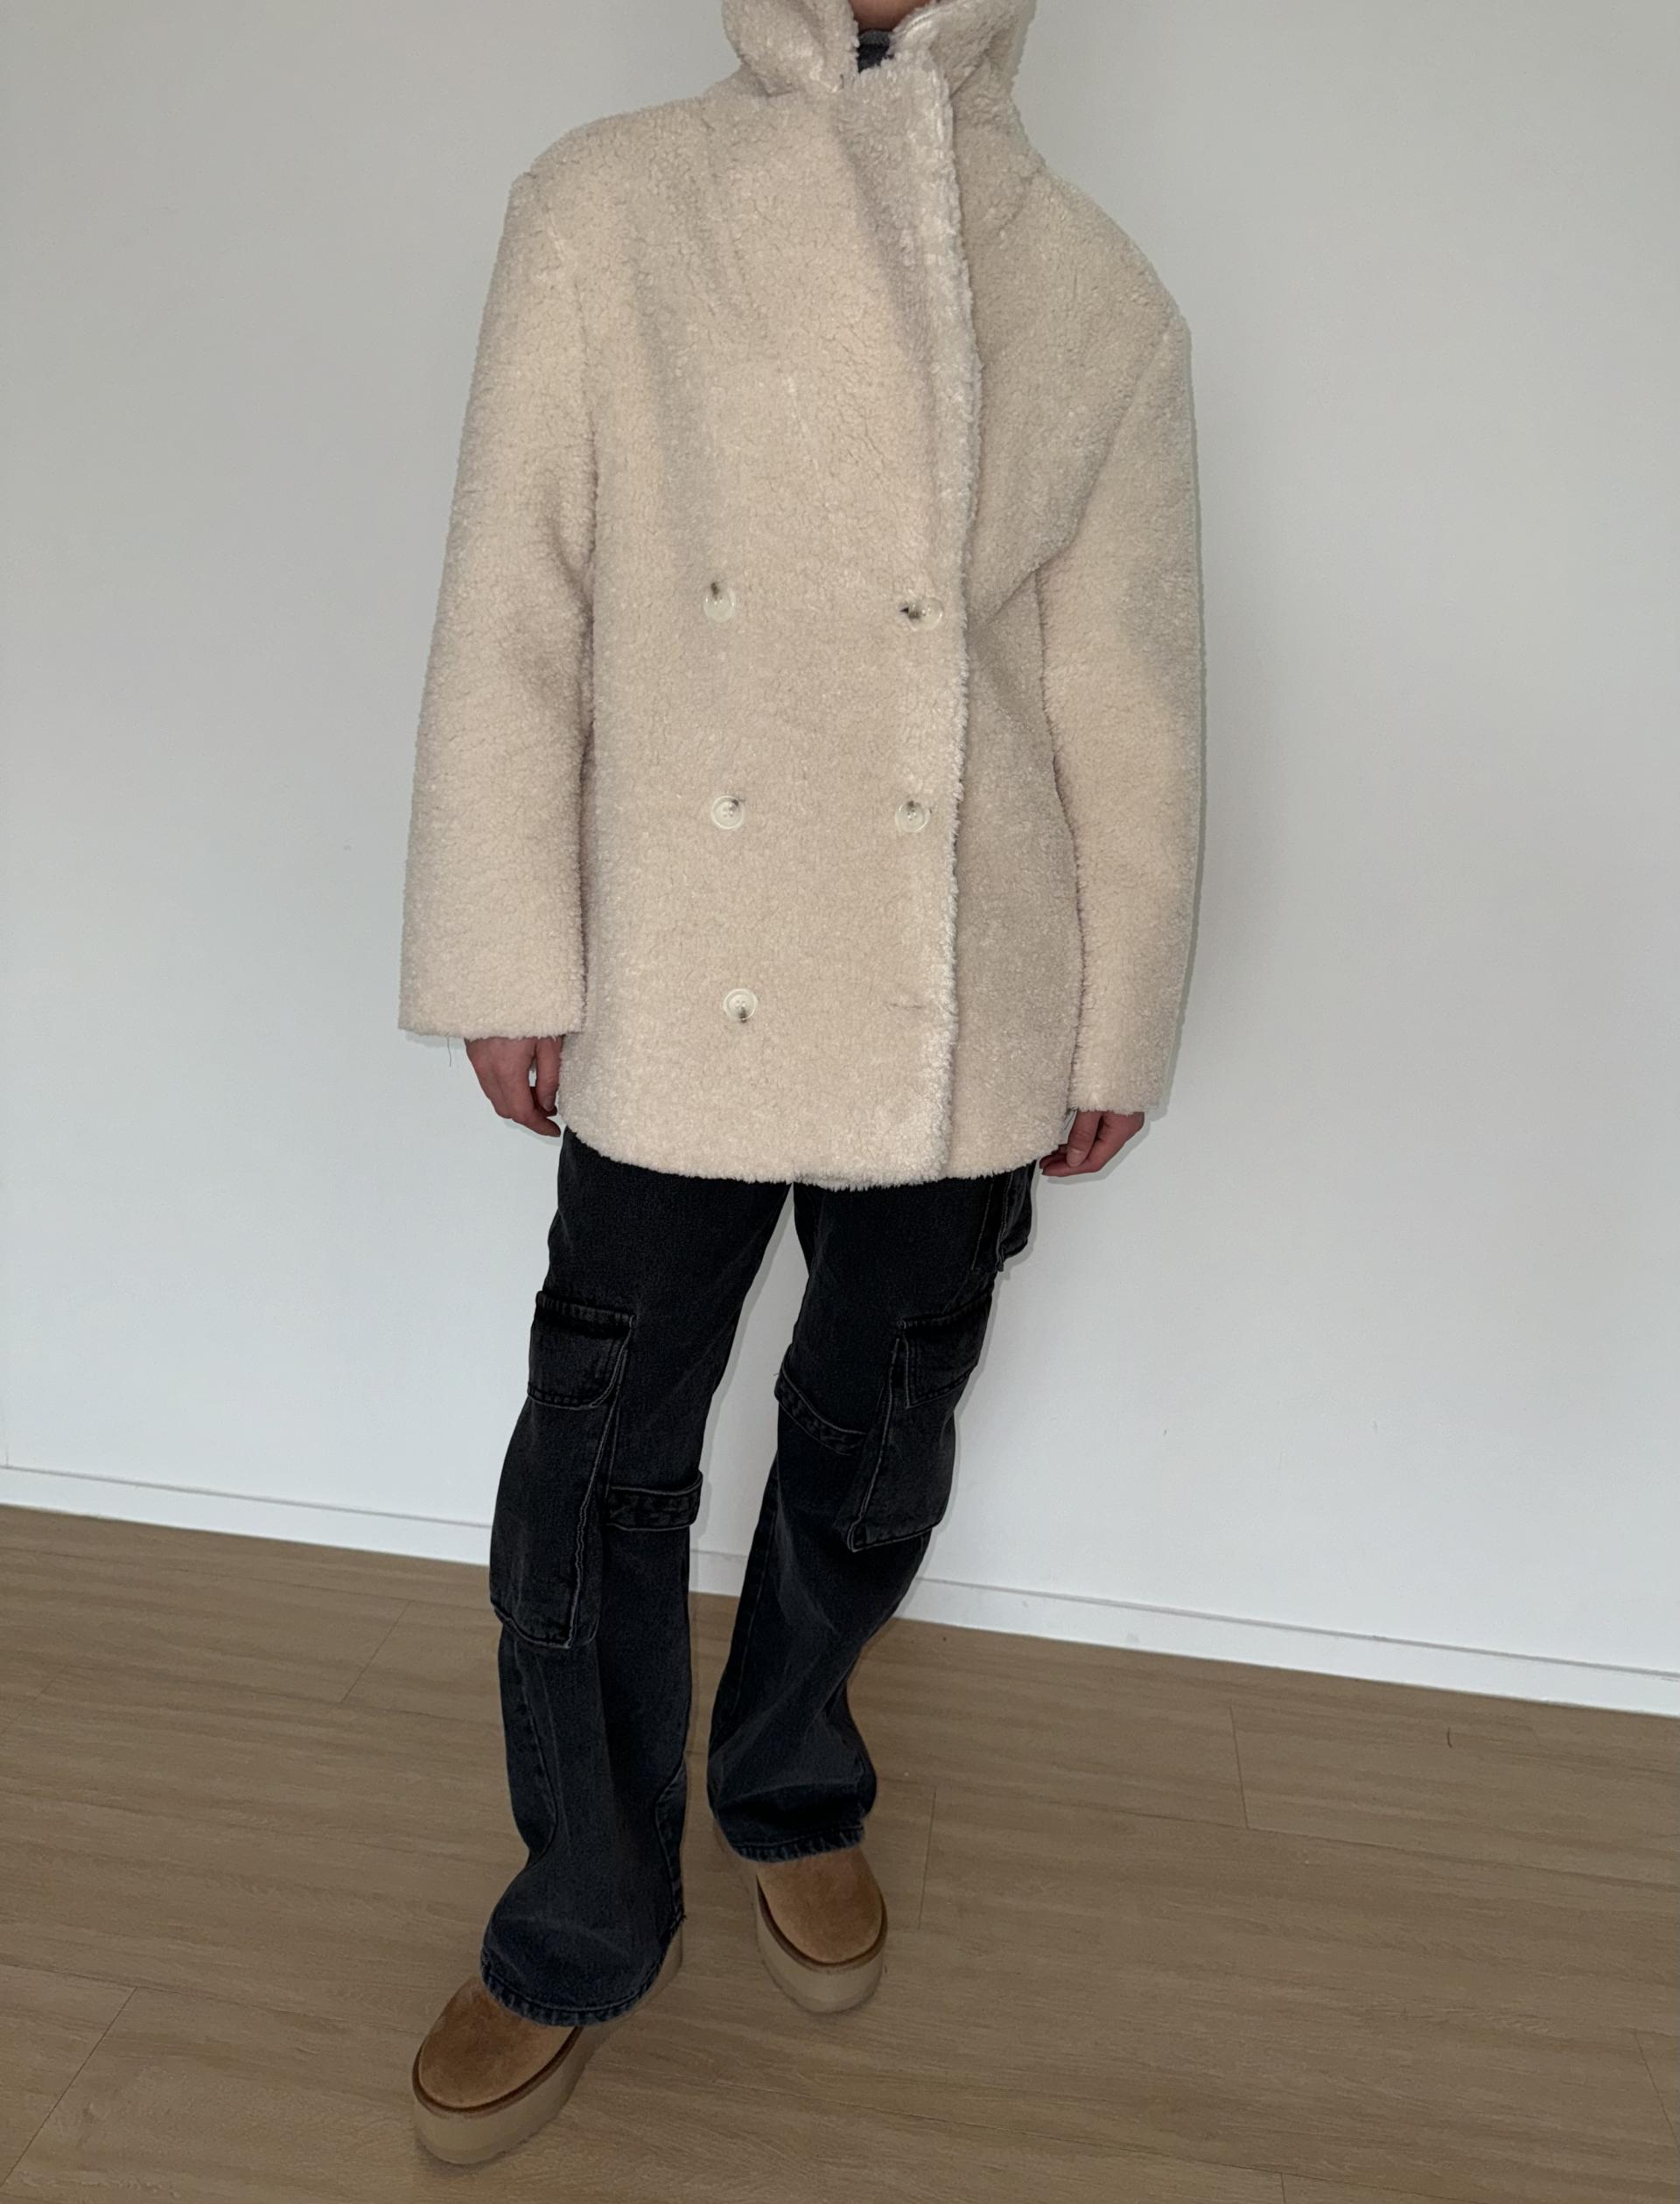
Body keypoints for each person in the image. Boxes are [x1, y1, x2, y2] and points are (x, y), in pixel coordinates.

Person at [398, 0, 1203, 2166]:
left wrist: (1113, 1017)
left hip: (969, 988)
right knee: (598, 1461)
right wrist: (507, 948)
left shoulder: (1094, 285)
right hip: (687, 958)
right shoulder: (605, 210)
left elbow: (1124, 694)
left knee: (876, 1428)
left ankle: (790, 1778)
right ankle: (580, 1916)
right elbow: (518, 599)